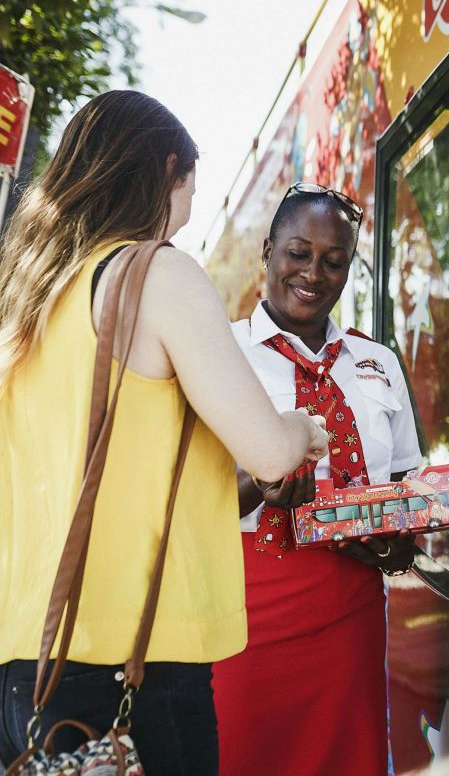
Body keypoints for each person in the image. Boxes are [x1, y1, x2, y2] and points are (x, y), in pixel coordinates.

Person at [0, 91, 330, 776]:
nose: (187, 214)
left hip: (20, 666)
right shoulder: (154, 272)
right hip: (128, 667)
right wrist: (302, 428)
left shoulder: (30, 292)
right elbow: (269, 451)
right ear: (168, 170)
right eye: (190, 192)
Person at [211, 184, 423, 776]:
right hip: (244, 613)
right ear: (268, 251)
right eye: (298, 253)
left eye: (334, 261)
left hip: (351, 614)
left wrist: (398, 545)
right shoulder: (220, 352)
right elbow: (185, 498)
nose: (313, 273)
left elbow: (404, 485)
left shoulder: (378, 362)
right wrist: (261, 485)